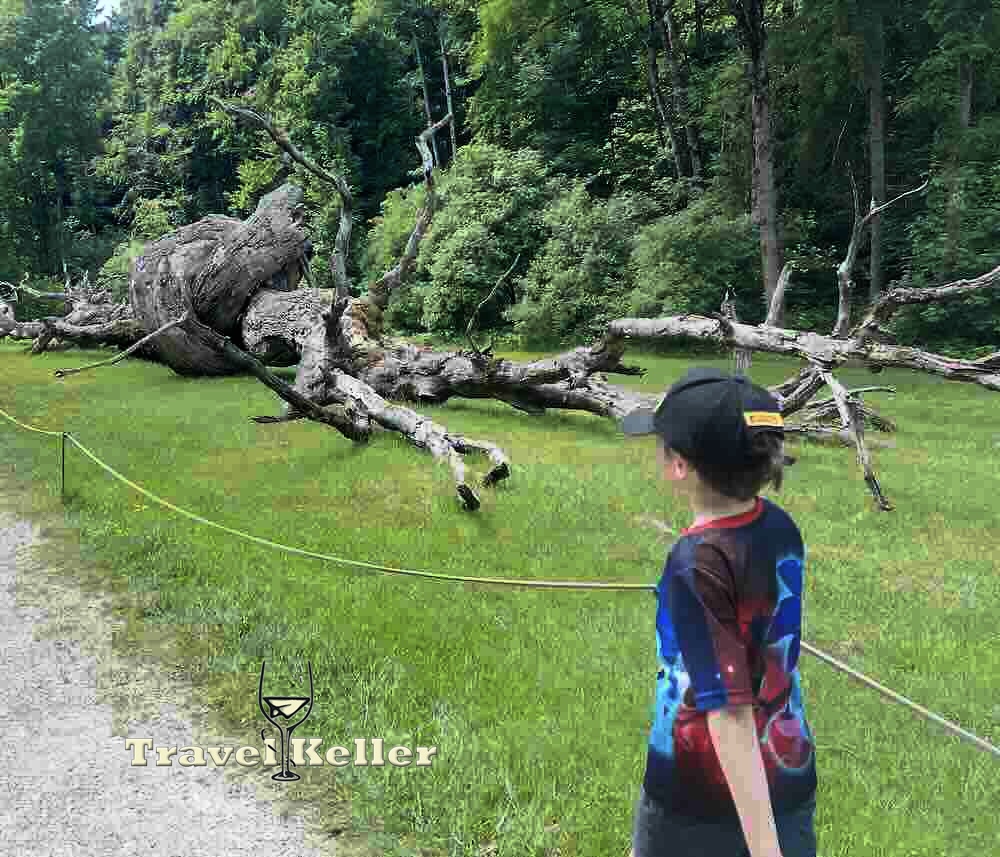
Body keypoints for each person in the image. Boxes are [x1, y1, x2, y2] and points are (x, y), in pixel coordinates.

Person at [621, 367, 818, 857]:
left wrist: (765, 849)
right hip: (787, 775)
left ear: (679, 464)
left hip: (699, 802)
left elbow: (729, 715)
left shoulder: (695, 564)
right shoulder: (779, 525)